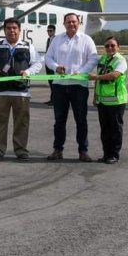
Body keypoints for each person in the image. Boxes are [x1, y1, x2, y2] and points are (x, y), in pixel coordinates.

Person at [0, 18, 42, 161]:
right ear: (4, 30)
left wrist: (28, 72)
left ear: (19, 30)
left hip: (22, 91)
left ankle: (21, 150)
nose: (11, 30)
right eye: (8, 28)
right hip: (1, 91)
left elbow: (38, 63)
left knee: (22, 122)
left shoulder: (28, 46)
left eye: (14, 28)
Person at [44, 13, 98, 162]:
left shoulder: (86, 40)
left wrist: (81, 72)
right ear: (64, 23)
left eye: (74, 22)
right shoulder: (56, 40)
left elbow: (93, 58)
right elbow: (48, 58)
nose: (71, 24)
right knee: (59, 120)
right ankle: (58, 150)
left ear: (78, 23)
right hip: (59, 86)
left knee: (81, 120)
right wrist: (56, 67)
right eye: (68, 22)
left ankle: (83, 151)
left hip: (78, 85)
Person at [89, 37, 128, 164]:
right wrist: (95, 96)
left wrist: (97, 77)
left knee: (115, 129)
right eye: (107, 46)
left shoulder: (120, 60)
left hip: (116, 101)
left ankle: (114, 155)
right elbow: (98, 80)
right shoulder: (103, 59)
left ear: (118, 47)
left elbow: (115, 74)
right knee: (105, 130)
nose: (110, 48)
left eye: (112, 45)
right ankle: (106, 154)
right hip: (103, 101)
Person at [44, 24, 56, 106]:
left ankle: (54, 100)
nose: (49, 32)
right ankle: (52, 99)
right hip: (47, 63)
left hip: (53, 64)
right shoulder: (49, 39)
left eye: (50, 31)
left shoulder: (56, 40)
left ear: (54, 31)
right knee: (50, 82)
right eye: (48, 31)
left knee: (53, 83)